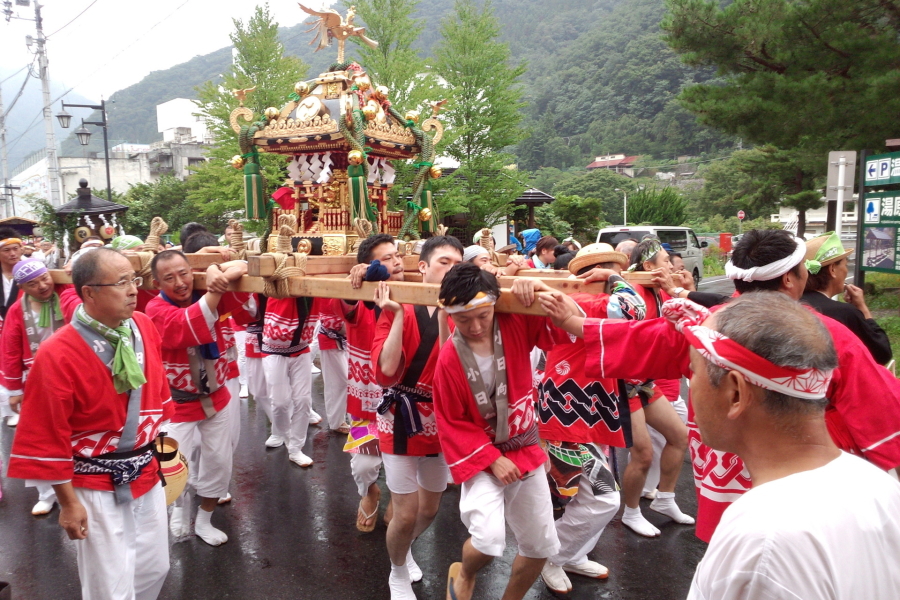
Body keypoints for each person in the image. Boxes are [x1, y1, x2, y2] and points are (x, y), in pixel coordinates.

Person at [562, 229, 900, 542]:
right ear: (789, 279)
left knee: (736, 559)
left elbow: (631, 340)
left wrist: (567, 318)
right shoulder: (825, 333)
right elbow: (880, 409)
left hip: (726, 478)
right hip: (800, 480)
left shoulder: (703, 325)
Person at [681, 292, 900, 600]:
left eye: (693, 371)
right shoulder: (878, 485)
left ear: (735, 393)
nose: (690, 383)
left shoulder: (764, 542)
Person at [7, 248, 174, 600]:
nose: (133, 290)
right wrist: (67, 503)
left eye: (134, 279)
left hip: (145, 471)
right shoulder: (57, 352)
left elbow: (156, 389)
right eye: (121, 282)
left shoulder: (142, 325)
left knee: (154, 567)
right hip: (95, 481)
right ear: (89, 293)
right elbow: (46, 434)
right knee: (109, 586)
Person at [433, 264, 581, 600]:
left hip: (525, 448)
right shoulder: (448, 361)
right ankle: (466, 570)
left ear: (496, 304)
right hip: (485, 455)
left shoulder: (515, 321)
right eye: (463, 319)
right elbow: (451, 422)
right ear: (449, 316)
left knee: (541, 545)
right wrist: (492, 459)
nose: (474, 326)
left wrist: (539, 287)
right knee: (486, 539)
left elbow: (565, 322)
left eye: (482, 316)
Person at [536, 243, 639, 594]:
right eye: (612, 271)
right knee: (602, 497)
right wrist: (613, 279)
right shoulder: (587, 303)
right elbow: (633, 310)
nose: (620, 279)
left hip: (583, 412)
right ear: (595, 274)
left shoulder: (581, 303)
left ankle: (572, 553)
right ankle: (553, 556)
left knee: (579, 496)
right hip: (568, 415)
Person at [372, 235, 464, 600]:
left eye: (458, 265)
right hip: (400, 415)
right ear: (422, 267)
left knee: (430, 508)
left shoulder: (463, 313)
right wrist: (395, 316)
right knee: (406, 512)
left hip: (440, 418)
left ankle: (404, 547)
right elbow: (386, 372)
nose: (451, 270)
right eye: (444, 262)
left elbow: (455, 370)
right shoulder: (399, 304)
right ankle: (396, 571)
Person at [146, 250, 253, 546]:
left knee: (219, 461)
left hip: (215, 397)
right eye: (169, 278)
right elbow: (186, 326)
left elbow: (245, 266)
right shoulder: (156, 309)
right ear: (157, 283)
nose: (180, 282)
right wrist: (216, 287)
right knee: (173, 464)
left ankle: (204, 519)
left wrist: (217, 269)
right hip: (175, 404)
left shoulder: (207, 291)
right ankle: (179, 510)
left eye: (184, 273)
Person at [0, 259, 81, 516]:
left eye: (45, 278)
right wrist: (14, 390)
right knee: (42, 439)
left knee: (77, 433)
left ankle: (78, 488)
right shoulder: (17, 310)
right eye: (33, 284)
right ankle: (46, 494)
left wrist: (76, 272)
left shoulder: (67, 295)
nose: (43, 286)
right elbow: (10, 349)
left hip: (72, 375)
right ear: (22, 287)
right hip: (36, 381)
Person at [337, 234, 404, 532]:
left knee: (404, 464)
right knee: (363, 467)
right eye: (386, 258)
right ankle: (370, 492)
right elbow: (347, 301)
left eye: (397, 254)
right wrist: (360, 279)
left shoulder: (421, 292)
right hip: (368, 403)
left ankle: (400, 501)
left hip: (407, 402)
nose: (397, 261)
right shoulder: (359, 299)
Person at [803, 231, 892, 365]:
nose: (845, 270)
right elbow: (882, 354)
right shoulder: (845, 313)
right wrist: (862, 308)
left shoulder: (789, 303)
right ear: (832, 269)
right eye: (845, 265)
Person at [0, 229, 23, 427]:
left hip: (21, 326)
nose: (12, 254)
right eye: (7, 250)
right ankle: (7, 409)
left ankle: (20, 407)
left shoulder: (29, 270)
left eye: (16, 249)